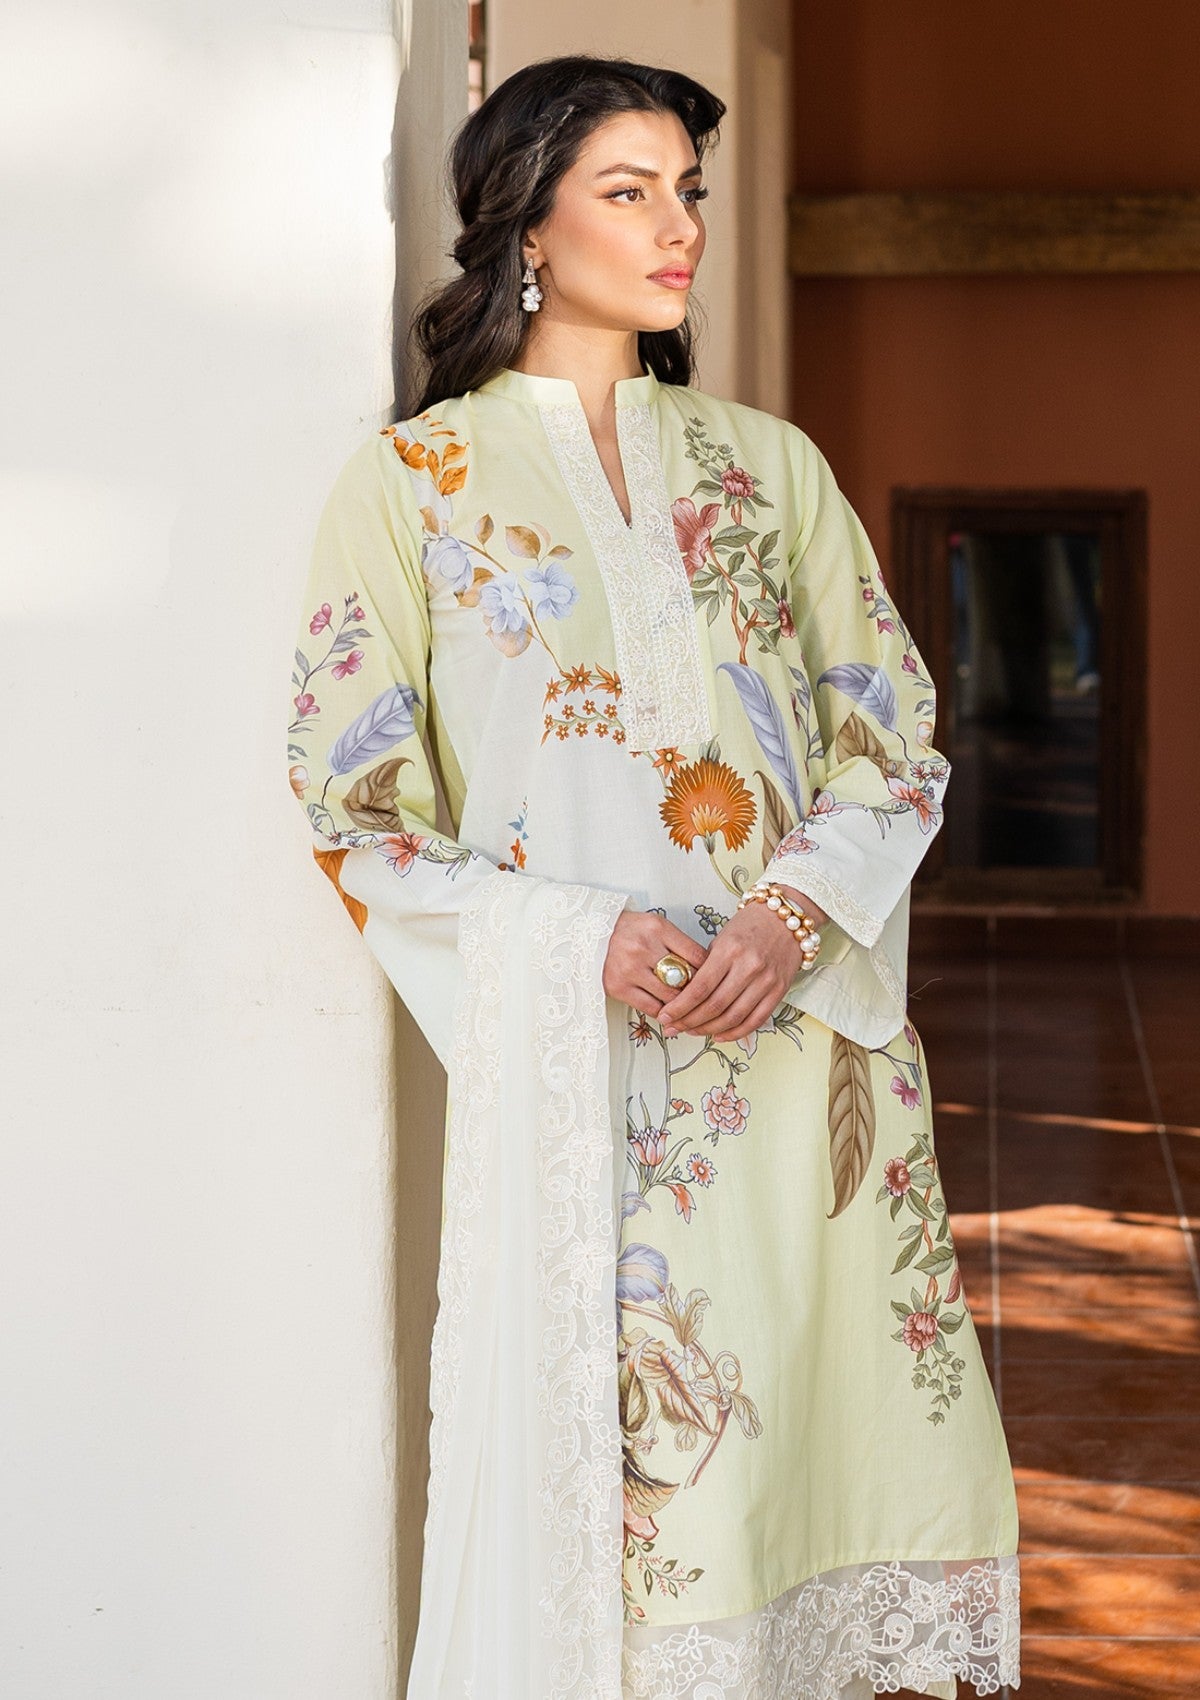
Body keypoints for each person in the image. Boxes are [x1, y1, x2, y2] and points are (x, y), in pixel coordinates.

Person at [286, 53, 1021, 1700]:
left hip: (809, 1062)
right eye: (631, 192)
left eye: (686, 190)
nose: (681, 225)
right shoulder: (413, 489)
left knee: (832, 1460)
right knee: (649, 1505)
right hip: (597, 1083)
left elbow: (894, 732)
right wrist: (576, 938)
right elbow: (351, 804)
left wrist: (792, 911)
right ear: (528, 228)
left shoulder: (773, 468)